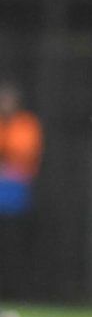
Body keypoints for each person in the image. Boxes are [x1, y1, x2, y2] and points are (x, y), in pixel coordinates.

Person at [0, 81, 44, 297]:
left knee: (14, 244)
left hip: (16, 195)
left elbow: (25, 154)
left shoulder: (27, 124)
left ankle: (16, 291)